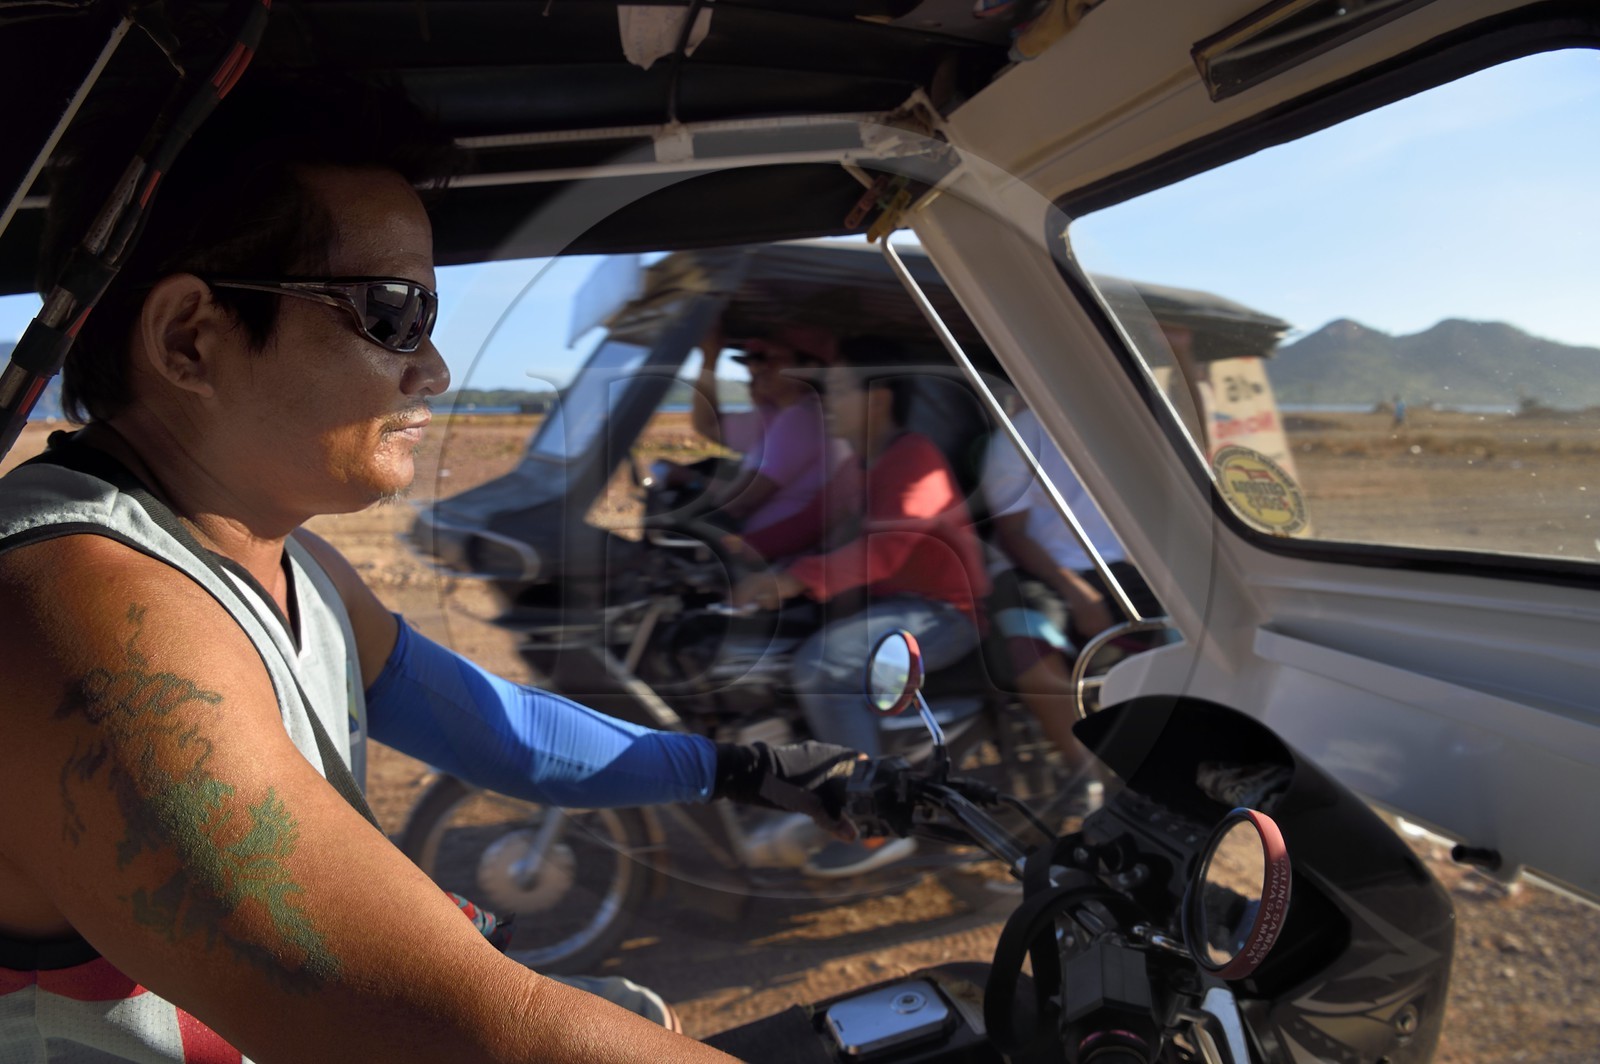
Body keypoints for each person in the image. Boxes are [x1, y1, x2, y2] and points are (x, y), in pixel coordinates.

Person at [0, 80, 863, 1063]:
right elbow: (475, 1037)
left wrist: (742, 766)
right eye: (393, 313)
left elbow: (507, 732)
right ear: (190, 336)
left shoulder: (288, 561)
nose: (437, 368)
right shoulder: (86, 608)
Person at [730, 337, 991, 877]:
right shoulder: (863, 464)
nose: (828, 400)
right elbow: (815, 518)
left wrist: (792, 579)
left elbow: (891, 546)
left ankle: (874, 823)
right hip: (892, 603)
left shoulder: (913, 459)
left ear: (878, 400)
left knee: (823, 666)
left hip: (942, 611)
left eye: (842, 388)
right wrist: (732, 547)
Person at [981, 401, 1161, 763]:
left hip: (1116, 566)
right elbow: (1013, 534)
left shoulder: (1123, 424)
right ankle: (1087, 771)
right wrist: (1073, 591)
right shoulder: (1018, 435)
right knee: (1027, 645)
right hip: (1032, 566)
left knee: (1175, 638)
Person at [671, 321, 844, 538]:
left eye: (773, 359)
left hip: (767, 556)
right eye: (755, 362)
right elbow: (708, 427)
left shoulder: (802, 417)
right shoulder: (778, 415)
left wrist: (685, 529)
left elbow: (742, 502)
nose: (759, 368)